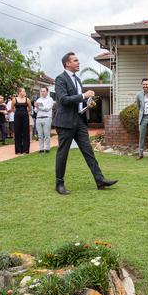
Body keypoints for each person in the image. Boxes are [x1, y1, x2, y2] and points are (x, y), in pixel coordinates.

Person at [54, 52, 117, 195]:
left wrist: (88, 103)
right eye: (75, 60)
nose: (78, 62)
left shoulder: (77, 79)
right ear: (67, 64)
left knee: (89, 152)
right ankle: (59, 184)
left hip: (79, 121)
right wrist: (84, 95)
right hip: (65, 123)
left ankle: (100, 180)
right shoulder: (60, 79)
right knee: (63, 154)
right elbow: (63, 100)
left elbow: (77, 101)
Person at [12, 88, 32, 155]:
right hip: (17, 117)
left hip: (25, 117)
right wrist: (18, 113)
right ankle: (18, 150)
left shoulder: (27, 99)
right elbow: (12, 109)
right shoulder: (14, 99)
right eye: (23, 91)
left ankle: (25, 150)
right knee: (17, 132)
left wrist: (25, 113)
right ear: (19, 92)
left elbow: (29, 108)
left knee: (26, 132)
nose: (24, 92)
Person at [34, 87, 54, 153]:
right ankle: (41, 148)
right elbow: (35, 110)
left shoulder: (50, 99)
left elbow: (47, 108)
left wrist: (39, 107)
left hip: (47, 118)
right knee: (40, 135)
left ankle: (47, 148)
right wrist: (36, 107)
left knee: (46, 134)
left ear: (47, 92)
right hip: (39, 118)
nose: (42, 92)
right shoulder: (38, 100)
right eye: (41, 91)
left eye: (44, 91)